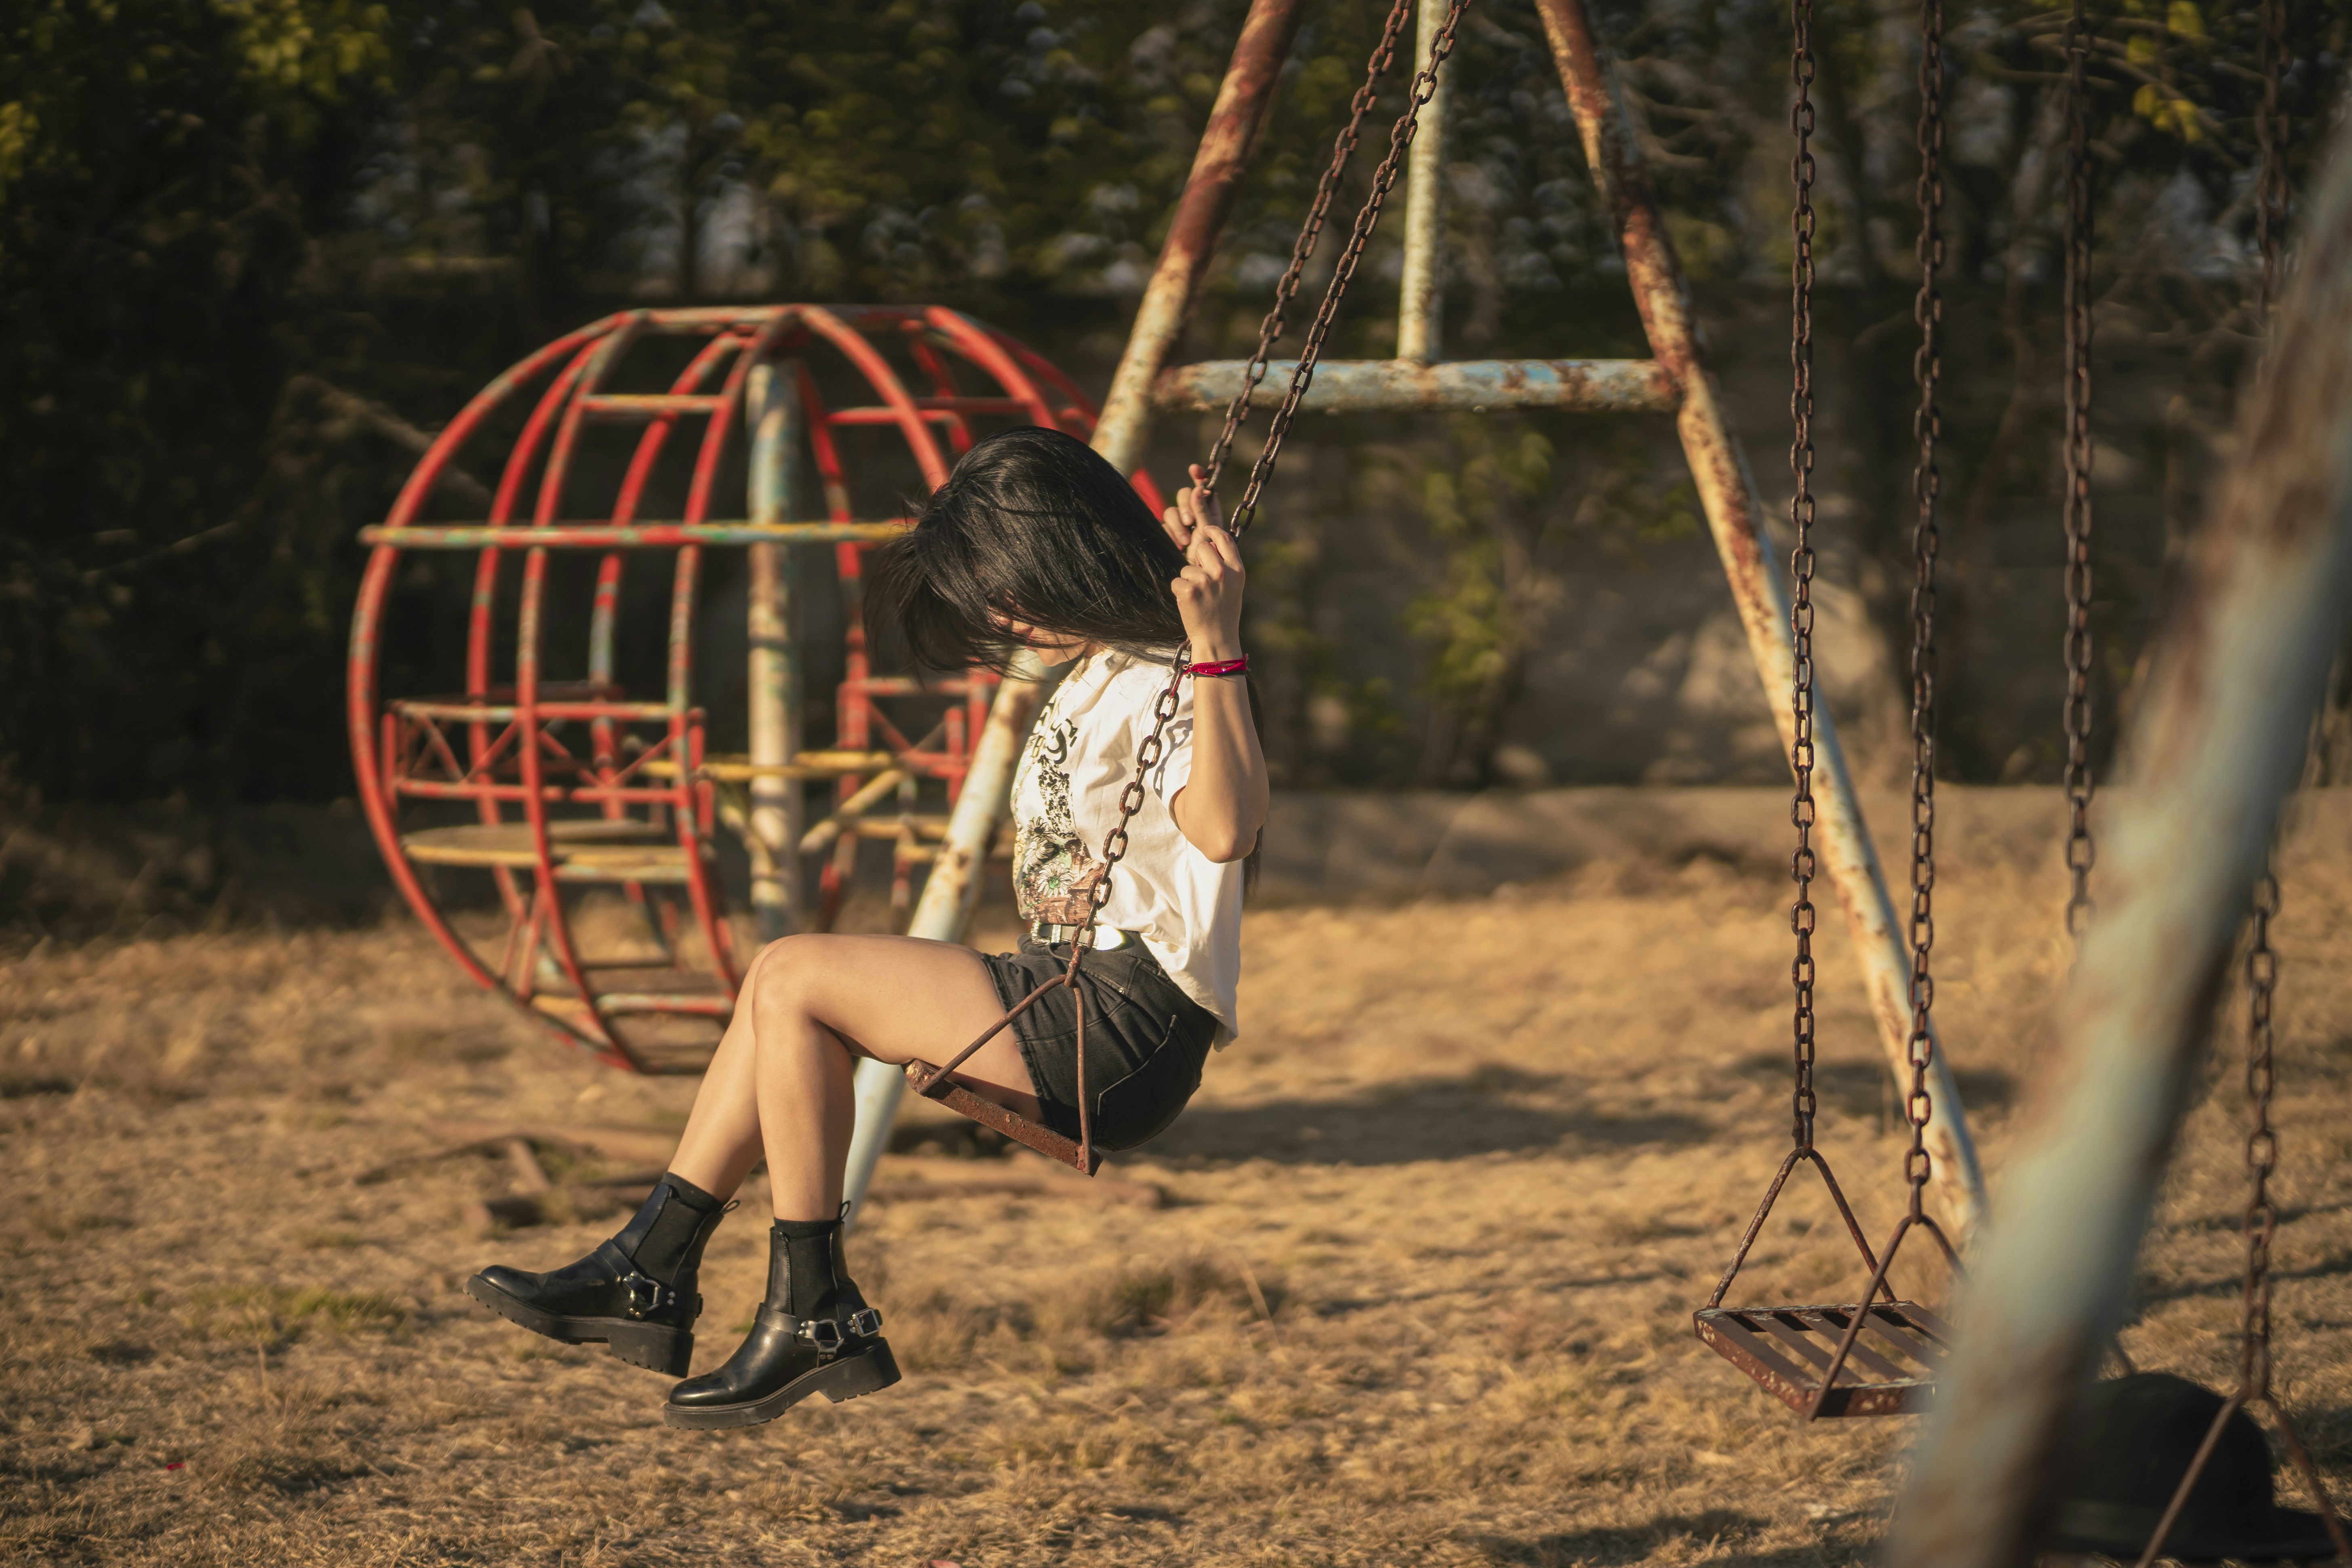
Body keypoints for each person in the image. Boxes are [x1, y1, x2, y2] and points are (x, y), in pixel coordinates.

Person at [464, 426, 1268, 1430]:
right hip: (1063, 988)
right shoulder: (1113, 664)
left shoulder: (1178, 672)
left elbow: (1226, 829)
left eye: (1008, 590)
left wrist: (1217, 642)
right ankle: (650, 1271)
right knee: (779, 991)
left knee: (798, 975)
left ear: (1064, 554)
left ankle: (805, 1307)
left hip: (1117, 1026)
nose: (1002, 618)